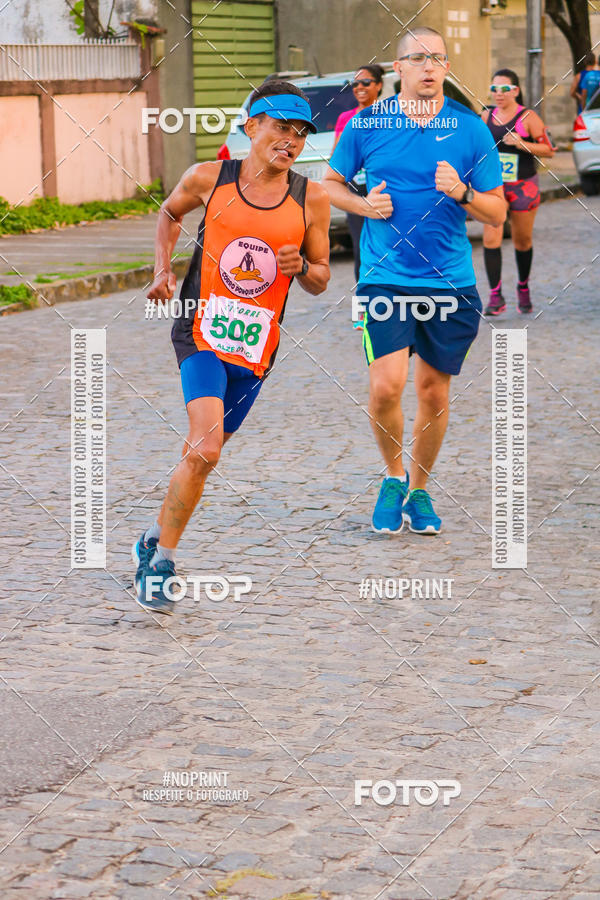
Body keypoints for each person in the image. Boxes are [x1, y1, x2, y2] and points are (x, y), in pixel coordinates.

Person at [134, 80, 330, 614]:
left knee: (201, 454)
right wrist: (161, 271)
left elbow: (321, 276)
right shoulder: (207, 179)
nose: (289, 141)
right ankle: (163, 564)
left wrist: (302, 269)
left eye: (298, 134)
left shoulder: (311, 196)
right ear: (251, 128)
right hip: (200, 330)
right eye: (279, 129)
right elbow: (170, 214)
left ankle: (154, 534)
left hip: (257, 347)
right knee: (207, 447)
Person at [323, 27, 505, 535]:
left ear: (446, 69)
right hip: (385, 278)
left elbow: (497, 214)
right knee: (386, 387)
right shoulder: (364, 125)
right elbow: (329, 186)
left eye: (438, 59)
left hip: (450, 283)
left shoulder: (470, 130)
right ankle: (392, 475)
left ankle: (419, 489)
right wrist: (363, 205)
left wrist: (464, 193)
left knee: (433, 393)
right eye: (418, 58)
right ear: (398, 67)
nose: (429, 67)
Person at [482, 69, 554, 316]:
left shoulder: (528, 116)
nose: (498, 94)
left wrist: (521, 143)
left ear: (516, 90)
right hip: (494, 188)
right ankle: (495, 296)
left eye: (504, 89)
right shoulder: (486, 115)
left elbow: (549, 149)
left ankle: (523, 287)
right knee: (491, 239)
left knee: (522, 241)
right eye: (494, 89)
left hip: (523, 185)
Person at [332, 65, 384, 302]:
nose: (359, 87)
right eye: (355, 84)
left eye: (366, 83)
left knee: (387, 245)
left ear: (379, 85)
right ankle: (365, 303)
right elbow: (336, 160)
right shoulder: (345, 118)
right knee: (360, 247)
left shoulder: (390, 116)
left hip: (385, 189)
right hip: (356, 189)